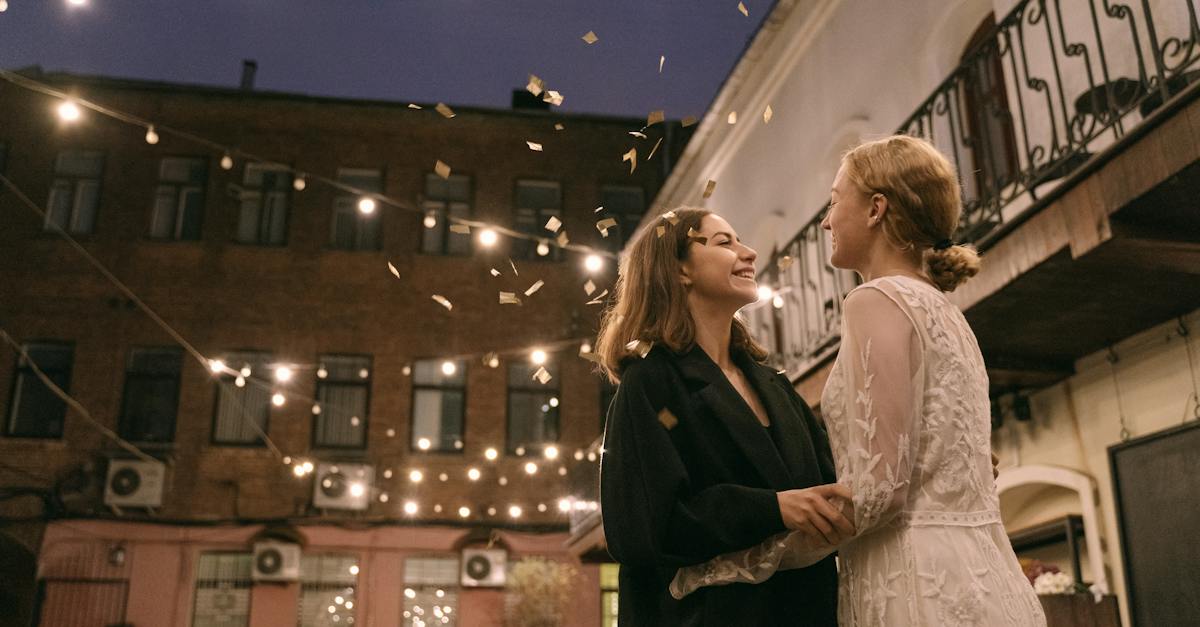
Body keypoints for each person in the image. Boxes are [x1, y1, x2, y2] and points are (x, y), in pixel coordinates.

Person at [670, 135, 1047, 626]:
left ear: (875, 209)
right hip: (981, 572)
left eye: (833, 201)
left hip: (912, 582)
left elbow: (880, 492)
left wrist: (739, 563)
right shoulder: (944, 311)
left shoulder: (875, 300)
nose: (826, 220)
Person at [595, 207, 854, 626]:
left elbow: (833, 482)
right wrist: (771, 509)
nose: (749, 252)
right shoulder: (650, 382)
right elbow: (639, 529)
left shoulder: (774, 385)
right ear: (679, 270)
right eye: (724, 242)